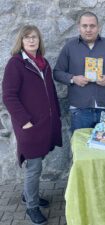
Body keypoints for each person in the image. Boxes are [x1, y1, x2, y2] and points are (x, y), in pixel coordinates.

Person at [2, 25, 62, 225]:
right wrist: (25, 121)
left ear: (39, 40)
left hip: (46, 124)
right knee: (34, 167)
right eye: (27, 37)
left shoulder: (43, 63)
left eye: (35, 37)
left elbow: (51, 93)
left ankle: (29, 195)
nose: (31, 41)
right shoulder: (16, 63)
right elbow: (9, 96)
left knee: (39, 161)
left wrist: (57, 117)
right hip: (29, 126)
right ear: (21, 41)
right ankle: (32, 207)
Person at [54, 11, 105, 133]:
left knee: (104, 148)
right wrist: (73, 79)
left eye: (92, 26)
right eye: (84, 26)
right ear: (79, 28)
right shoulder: (69, 47)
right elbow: (57, 72)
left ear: (98, 27)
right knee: (80, 149)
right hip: (79, 110)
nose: (88, 29)